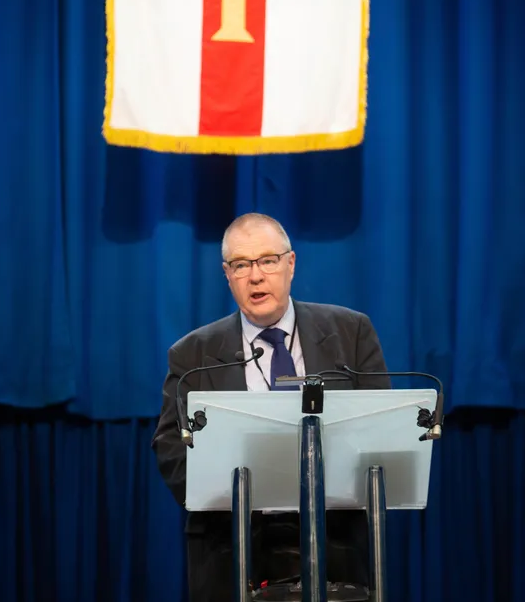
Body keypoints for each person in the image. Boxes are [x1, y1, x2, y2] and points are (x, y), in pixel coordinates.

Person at [152, 212, 390, 602]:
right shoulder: (192, 354)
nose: (256, 276)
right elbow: (171, 448)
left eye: (267, 260)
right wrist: (230, 492)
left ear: (290, 264)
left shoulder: (351, 333)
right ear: (227, 274)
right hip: (232, 546)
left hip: (336, 543)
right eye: (241, 265)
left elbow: (381, 431)